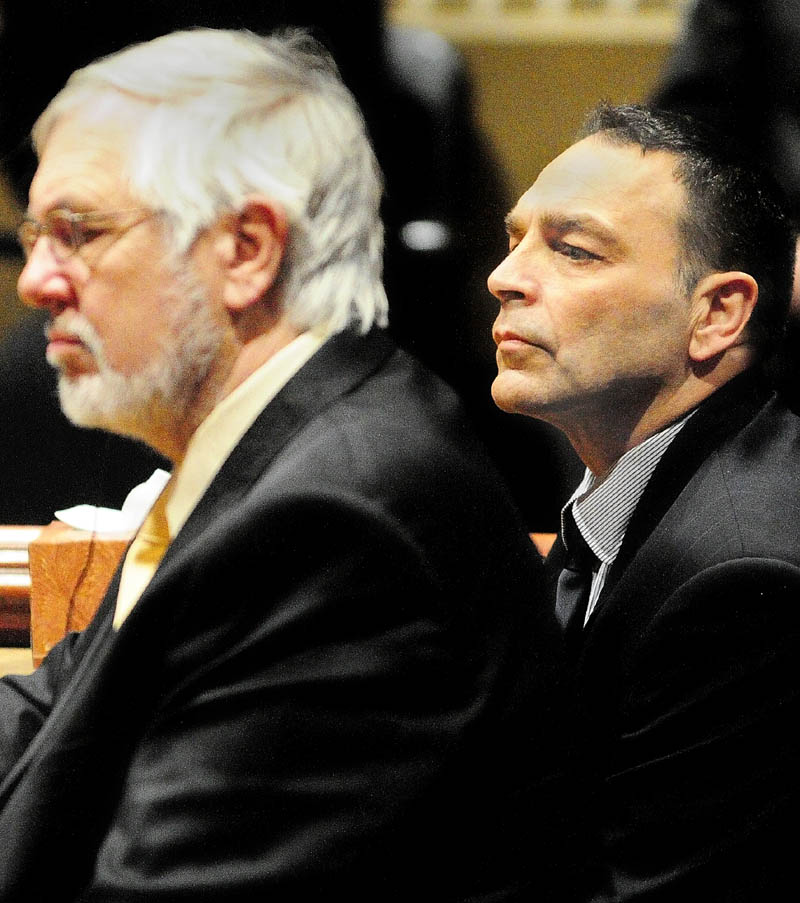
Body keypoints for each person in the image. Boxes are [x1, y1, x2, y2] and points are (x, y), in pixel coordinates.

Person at [0, 29, 567, 901]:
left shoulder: (338, 518)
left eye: (79, 231)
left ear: (247, 249)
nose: (36, 281)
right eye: (35, 235)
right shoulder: (275, 444)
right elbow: (59, 711)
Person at [488, 101, 800, 900]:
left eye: (575, 251)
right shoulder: (636, 484)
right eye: (514, 239)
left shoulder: (741, 574)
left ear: (717, 313)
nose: (506, 277)